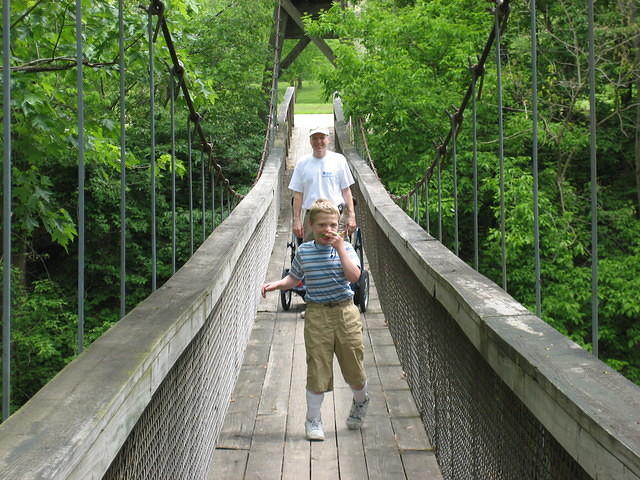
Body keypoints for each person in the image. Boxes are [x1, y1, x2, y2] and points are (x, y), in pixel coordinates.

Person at [261, 199, 370, 441]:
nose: (327, 230)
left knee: (354, 368)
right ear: (312, 225)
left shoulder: (346, 249)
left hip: (345, 312)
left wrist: (341, 248)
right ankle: (313, 420)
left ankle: (361, 401)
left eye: (333, 224)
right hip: (317, 313)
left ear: (339, 226)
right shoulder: (304, 251)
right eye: (322, 225)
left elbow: (354, 277)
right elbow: (294, 278)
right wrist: (277, 285)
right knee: (317, 367)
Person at [289, 126, 357, 242]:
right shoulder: (302, 163)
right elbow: (298, 194)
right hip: (312, 218)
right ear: (310, 141)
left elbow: (346, 191)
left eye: (322, 138)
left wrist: (351, 216)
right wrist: (296, 220)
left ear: (328, 139)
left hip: (336, 217)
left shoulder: (339, 160)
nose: (318, 142)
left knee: (339, 254)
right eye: (315, 138)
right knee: (310, 254)